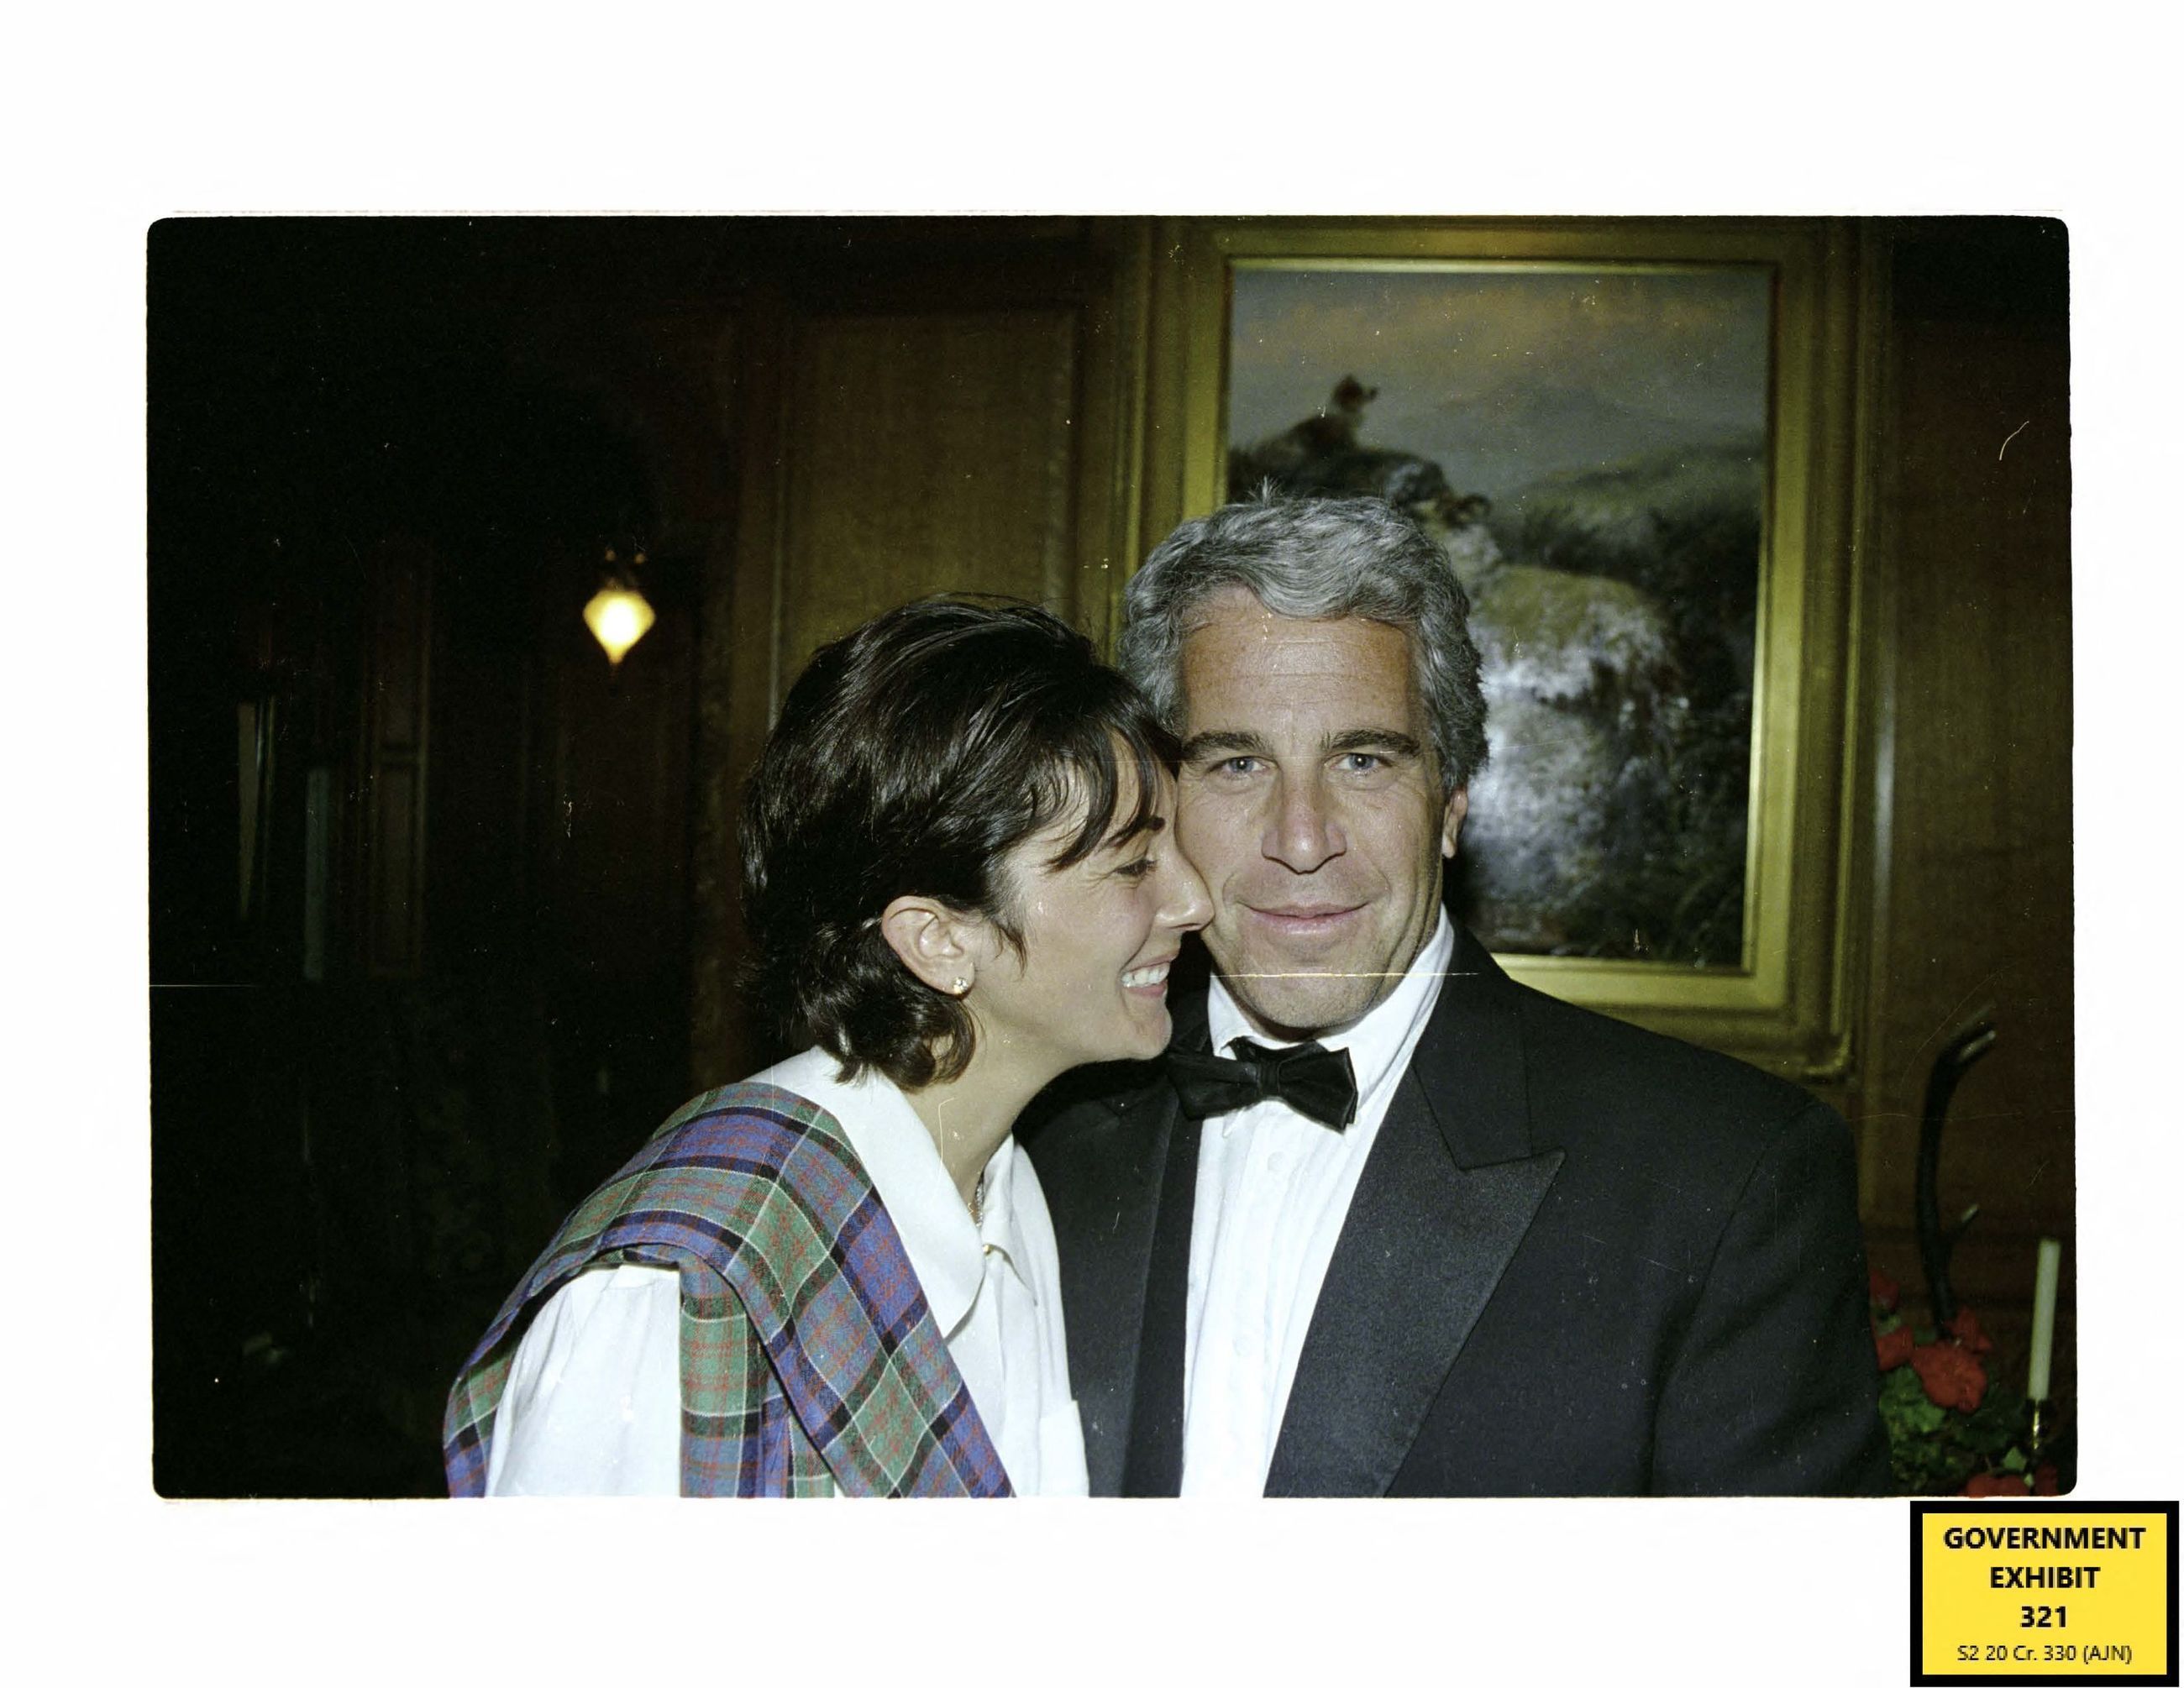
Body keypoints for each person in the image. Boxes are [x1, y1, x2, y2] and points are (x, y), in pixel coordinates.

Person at [1020, 494, 1891, 1497]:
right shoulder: (1042, 1120)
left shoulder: (1720, 1180)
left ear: (1450, 804)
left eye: (1361, 761)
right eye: (1237, 763)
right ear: (1157, 807)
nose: (1300, 840)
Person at [444, 600, 1210, 1497]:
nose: (1193, 901)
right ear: (938, 940)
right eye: (1132, 864)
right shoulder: (671, 1298)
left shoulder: (1007, 1193)